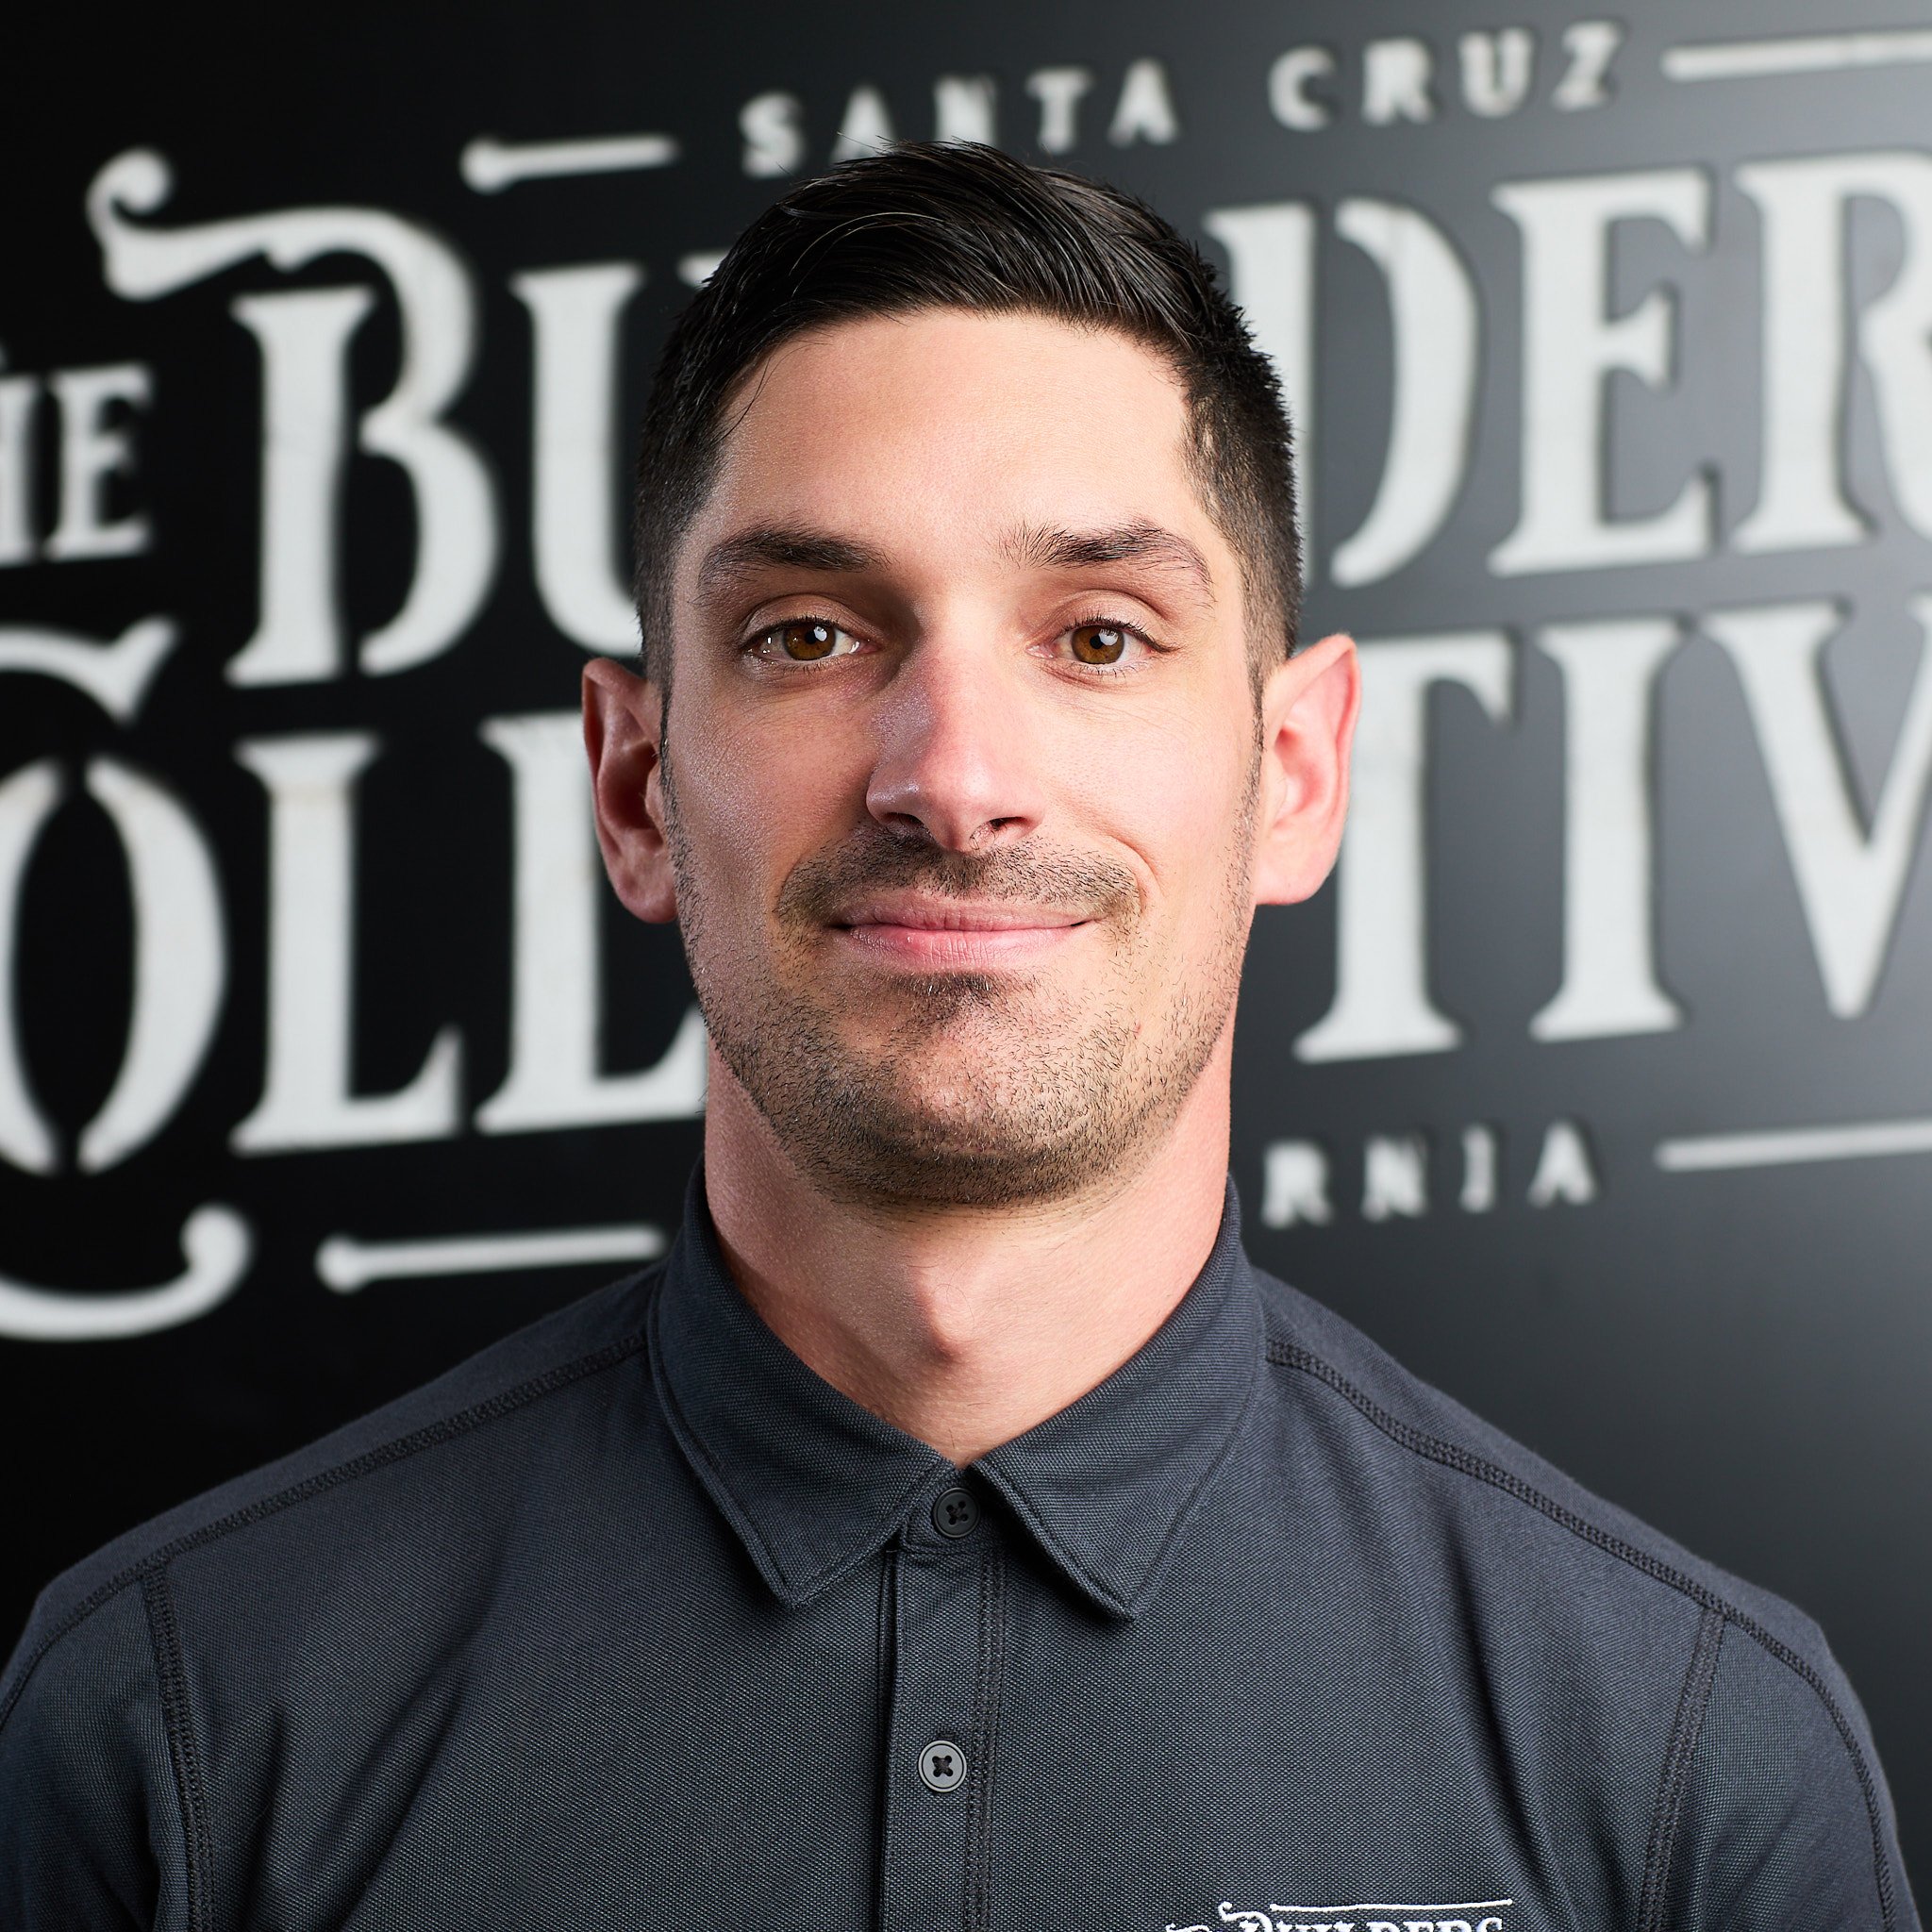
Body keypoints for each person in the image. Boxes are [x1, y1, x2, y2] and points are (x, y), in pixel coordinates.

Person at [0, 142, 1915, 1932]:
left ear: (1296, 768)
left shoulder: (1692, 1760)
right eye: (813, 636)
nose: (954, 778)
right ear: (639, 782)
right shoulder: (169, 1725)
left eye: (1096, 634)